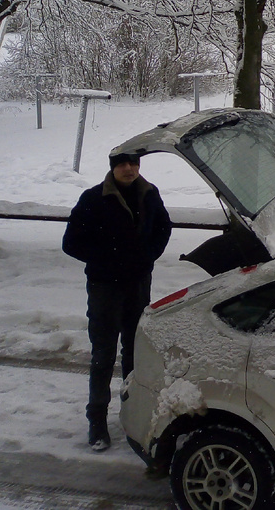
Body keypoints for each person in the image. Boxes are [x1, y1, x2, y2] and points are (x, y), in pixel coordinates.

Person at [62, 151, 171, 452]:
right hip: (104, 287)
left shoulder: (149, 194)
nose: (128, 169)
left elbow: (163, 228)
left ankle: (133, 414)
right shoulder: (93, 198)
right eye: (122, 164)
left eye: (133, 163)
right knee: (103, 354)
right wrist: (108, 257)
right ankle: (97, 420)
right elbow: (71, 243)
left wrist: (147, 256)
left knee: (135, 354)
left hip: (137, 284)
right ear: (112, 168)